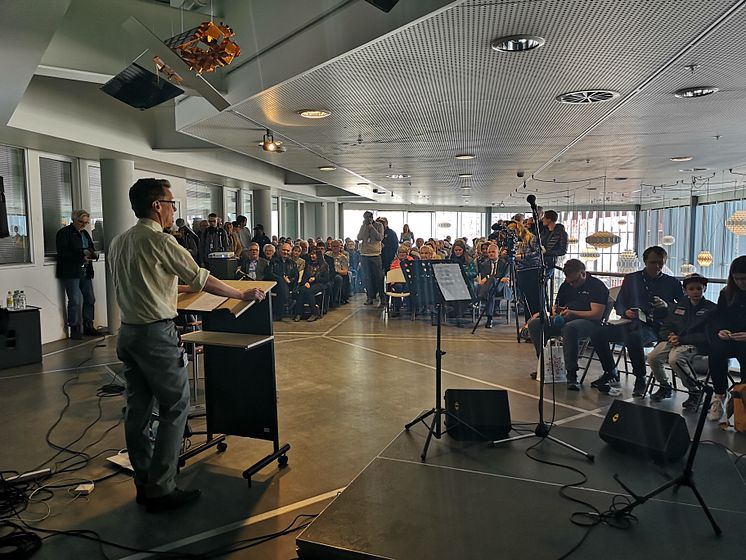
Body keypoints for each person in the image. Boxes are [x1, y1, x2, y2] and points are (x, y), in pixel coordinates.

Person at [108, 178, 265, 512]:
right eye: (171, 202)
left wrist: (176, 291)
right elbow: (201, 277)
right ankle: (162, 488)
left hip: (129, 334)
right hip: (155, 336)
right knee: (176, 406)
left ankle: (144, 483)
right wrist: (241, 293)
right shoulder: (161, 242)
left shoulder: (119, 242)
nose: (173, 209)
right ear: (157, 206)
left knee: (137, 412)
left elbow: (146, 283)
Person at [589, 246, 684, 397]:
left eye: (661, 263)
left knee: (634, 338)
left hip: (654, 326)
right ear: (645, 261)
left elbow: (683, 308)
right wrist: (625, 311)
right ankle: (610, 370)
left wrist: (667, 306)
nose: (658, 266)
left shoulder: (672, 282)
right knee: (597, 333)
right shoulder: (632, 278)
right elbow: (619, 303)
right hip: (629, 322)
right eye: (653, 262)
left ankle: (640, 377)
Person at [527, 259, 609, 390]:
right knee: (536, 324)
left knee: (570, 328)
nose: (572, 285)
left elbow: (596, 314)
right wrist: (556, 311)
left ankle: (571, 373)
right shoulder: (567, 284)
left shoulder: (596, 286)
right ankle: (545, 365)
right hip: (566, 317)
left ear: (583, 273)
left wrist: (574, 313)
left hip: (589, 322)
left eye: (574, 281)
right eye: (569, 281)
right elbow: (557, 305)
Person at [646, 273, 716, 407]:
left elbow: (708, 335)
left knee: (675, 359)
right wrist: (670, 336)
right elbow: (665, 326)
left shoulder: (711, 308)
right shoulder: (678, 306)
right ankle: (665, 386)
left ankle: (695, 391)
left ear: (704, 289)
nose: (695, 292)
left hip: (695, 343)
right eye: (691, 289)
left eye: (699, 288)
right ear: (685, 291)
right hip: (674, 340)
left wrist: (682, 339)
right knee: (652, 357)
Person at [707, 256, 746, 422]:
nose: (740, 283)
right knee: (715, 352)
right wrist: (720, 330)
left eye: (744, 279)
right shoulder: (726, 293)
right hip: (731, 337)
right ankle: (720, 394)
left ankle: (741, 397)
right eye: (736, 279)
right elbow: (718, 317)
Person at [56, 209, 98, 339]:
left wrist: (91, 255)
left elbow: (91, 248)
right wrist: (81, 256)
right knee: (75, 300)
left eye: (85, 223)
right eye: (80, 222)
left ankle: (88, 325)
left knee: (90, 298)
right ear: (73, 220)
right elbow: (62, 252)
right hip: (71, 271)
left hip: (85, 271)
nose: (83, 225)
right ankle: (75, 328)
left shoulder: (85, 234)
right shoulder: (64, 233)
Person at [477, 244, 510, 329]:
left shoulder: (504, 263)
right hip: (490, 288)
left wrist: (489, 277)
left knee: (491, 280)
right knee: (491, 292)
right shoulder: (484, 264)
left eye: (493, 252)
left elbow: (504, 276)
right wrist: (496, 277)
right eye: (489, 252)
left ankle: (479, 297)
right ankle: (489, 318)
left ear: (498, 252)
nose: (491, 254)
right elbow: (484, 276)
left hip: (501, 287)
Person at [294, 247, 329, 322]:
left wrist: (315, 279)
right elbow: (304, 276)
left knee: (309, 291)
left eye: (314, 254)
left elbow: (326, 279)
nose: (312, 256)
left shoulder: (324, 265)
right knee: (302, 289)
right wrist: (305, 282)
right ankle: (299, 313)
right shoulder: (308, 263)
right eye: (312, 254)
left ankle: (314, 313)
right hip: (308, 283)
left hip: (320, 283)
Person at [357, 211, 384, 305]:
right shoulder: (362, 226)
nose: (366, 219)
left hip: (375, 255)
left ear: (372, 217)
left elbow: (379, 237)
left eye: (368, 218)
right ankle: (369, 297)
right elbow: (359, 237)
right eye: (365, 218)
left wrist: (371, 227)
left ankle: (382, 297)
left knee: (378, 277)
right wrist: (365, 227)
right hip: (364, 255)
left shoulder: (379, 225)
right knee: (367, 277)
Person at [266, 242, 298, 320]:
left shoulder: (293, 263)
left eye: (287, 250)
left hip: (289, 285)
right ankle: (289, 301)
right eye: (284, 250)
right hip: (275, 284)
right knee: (281, 282)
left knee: (282, 286)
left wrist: (289, 280)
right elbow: (270, 274)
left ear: (290, 252)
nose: (285, 252)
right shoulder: (273, 261)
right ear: (280, 251)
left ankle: (278, 314)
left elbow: (296, 276)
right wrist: (281, 279)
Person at [540, 210, 568, 275]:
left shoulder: (562, 233)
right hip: (539, 261)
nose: (542, 219)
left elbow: (562, 251)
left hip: (549, 263)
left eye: (544, 217)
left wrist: (546, 252)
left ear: (549, 219)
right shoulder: (544, 231)